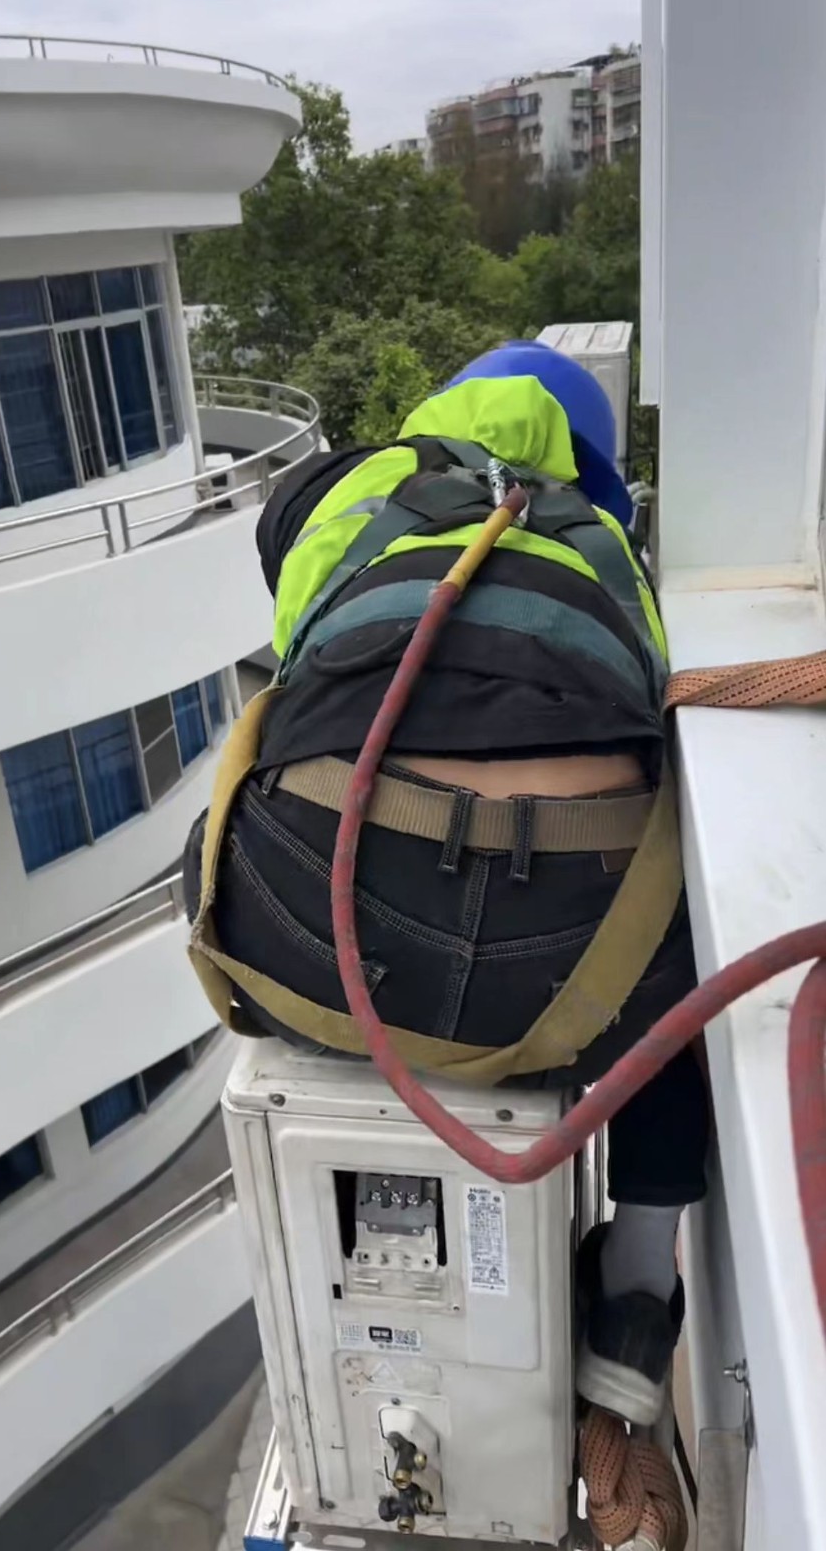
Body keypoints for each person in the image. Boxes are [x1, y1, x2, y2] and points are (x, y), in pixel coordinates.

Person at [185, 340, 708, 1427]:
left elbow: (301, 643)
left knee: (217, 822)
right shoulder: (606, 544)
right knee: (682, 994)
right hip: (564, 985)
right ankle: (636, 1290)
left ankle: (328, 1027)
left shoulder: (349, 490)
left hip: (325, 947)